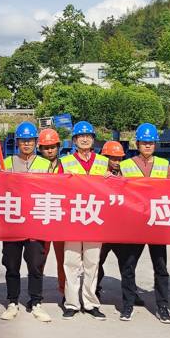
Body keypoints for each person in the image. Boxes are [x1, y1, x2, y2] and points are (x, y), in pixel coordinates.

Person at [115, 122, 170, 323]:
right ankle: (128, 305)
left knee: (161, 268)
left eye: (151, 142)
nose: (147, 145)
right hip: (135, 224)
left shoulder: (164, 164)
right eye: (144, 142)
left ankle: (163, 307)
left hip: (157, 223)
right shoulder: (126, 165)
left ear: (155, 144)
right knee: (128, 266)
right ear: (137, 143)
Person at [0, 122, 52, 322]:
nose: (27, 144)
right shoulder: (7, 162)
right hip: (12, 221)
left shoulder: (46, 164)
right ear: (17, 142)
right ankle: (12, 302)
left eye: (30, 140)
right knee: (12, 264)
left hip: (35, 222)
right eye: (23, 140)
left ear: (36, 142)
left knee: (35, 265)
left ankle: (36, 302)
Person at [59, 121, 108, 320]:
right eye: (81, 136)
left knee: (92, 263)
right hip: (73, 218)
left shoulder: (103, 162)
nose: (85, 139)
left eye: (88, 136)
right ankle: (71, 303)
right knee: (71, 262)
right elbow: (58, 188)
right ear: (74, 140)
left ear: (93, 140)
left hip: (95, 217)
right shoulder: (65, 162)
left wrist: (110, 179)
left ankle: (90, 303)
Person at [36, 127, 67, 297]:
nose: (49, 150)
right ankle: (36, 292)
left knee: (63, 259)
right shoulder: (36, 166)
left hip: (61, 218)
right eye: (46, 147)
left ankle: (64, 291)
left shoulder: (67, 165)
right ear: (40, 149)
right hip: (42, 217)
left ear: (58, 147)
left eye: (52, 147)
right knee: (39, 258)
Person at [96, 140, 125, 299]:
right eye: (113, 158)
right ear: (104, 157)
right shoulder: (97, 173)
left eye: (119, 159)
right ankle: (94, 289)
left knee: (127, 264)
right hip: (102, 227)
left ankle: (130, 293)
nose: (117, 162)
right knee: (97, 261)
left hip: (119, 228)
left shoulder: (125, 174)